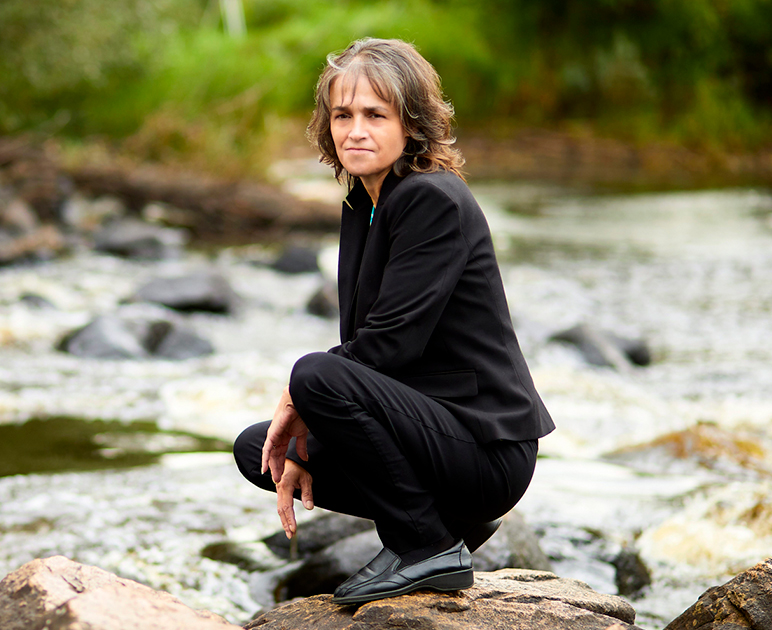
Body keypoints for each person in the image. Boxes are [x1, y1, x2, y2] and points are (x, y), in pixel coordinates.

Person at [233, 38, 555, 605]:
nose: (355, 131)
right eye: (342, 115)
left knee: (313, 376)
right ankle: (447, 526)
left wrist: (298, 396)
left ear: (412, 124)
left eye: (375, 115)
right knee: (260, 450)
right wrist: (303, 428)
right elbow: (368, 353)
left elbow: (387, 346)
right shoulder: (366, 202)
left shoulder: (431, 198)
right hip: (434, 435)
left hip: (485, 449)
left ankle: (426, 544)